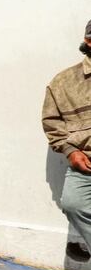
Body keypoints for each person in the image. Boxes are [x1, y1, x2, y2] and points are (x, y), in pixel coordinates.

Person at [42, 20, 91, 252]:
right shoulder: (63, 83)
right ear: (88, 42)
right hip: (85, 162)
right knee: (73, 204)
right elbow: (51, 122)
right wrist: (70, 151)